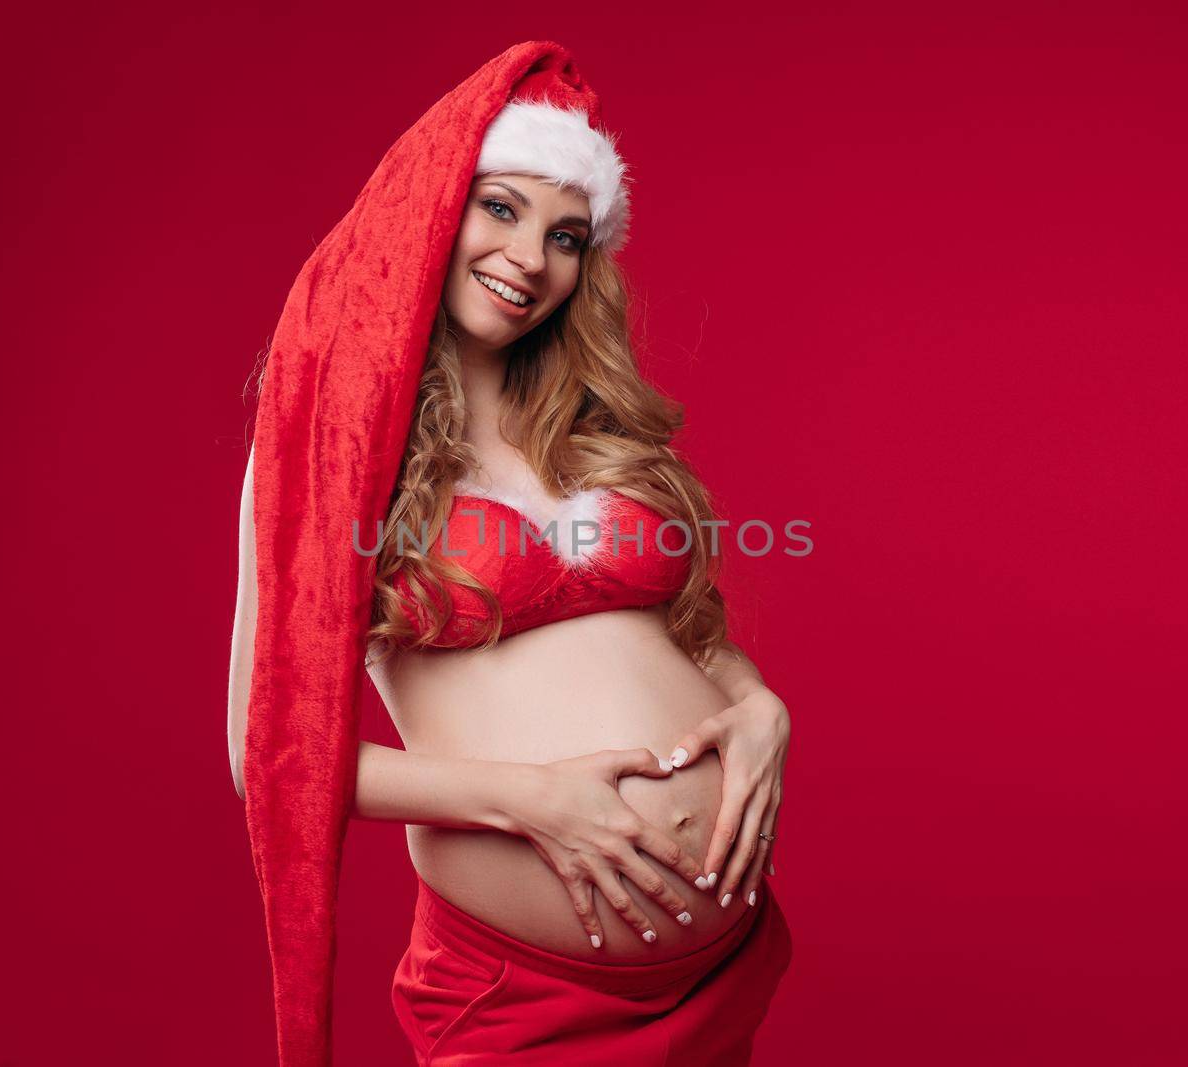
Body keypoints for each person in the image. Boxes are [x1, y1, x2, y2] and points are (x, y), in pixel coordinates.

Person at [228, 42, 793, 1065]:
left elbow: (685, 644)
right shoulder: (333, 448)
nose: (530, 258)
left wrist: (759, 709)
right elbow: (265, 755)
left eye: (565, 234)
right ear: (430, 211)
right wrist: (527, 796)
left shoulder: (592, 426)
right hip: (523, 997)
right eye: (499, 207)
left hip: (719, 973)